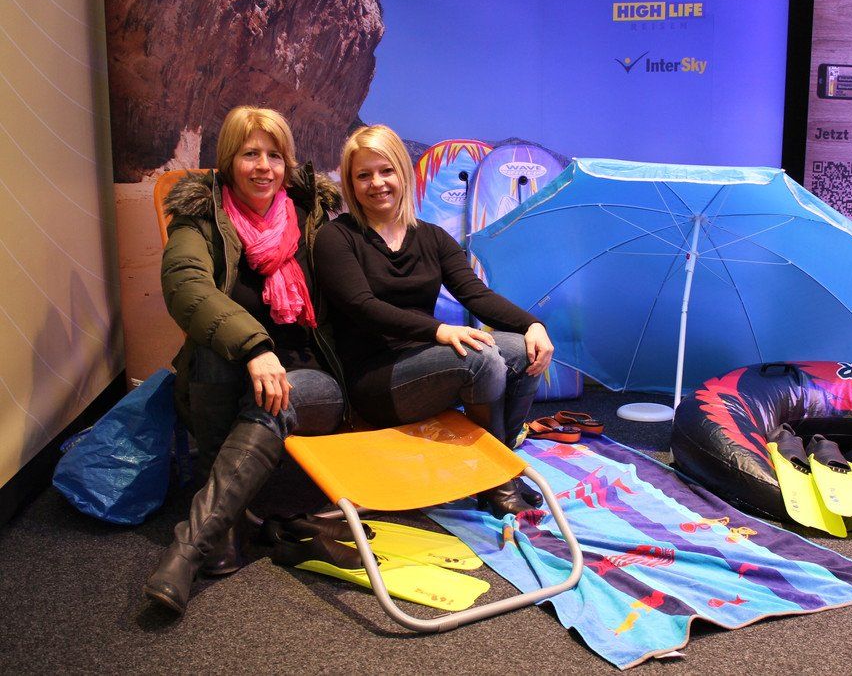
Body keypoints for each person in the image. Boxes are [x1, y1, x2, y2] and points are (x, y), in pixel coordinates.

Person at [144, 106, 346, 614]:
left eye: (274, 156)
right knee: (215, 356)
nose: (263, 167)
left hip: (310, 373)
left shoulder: (311, 215)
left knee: (278, 396)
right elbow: (186, 284)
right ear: (228, 160)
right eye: (250, 154)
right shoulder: (200, 217)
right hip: (237, 371)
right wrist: (256, 347)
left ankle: (191, 547)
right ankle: (226, 523)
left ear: (288, 163)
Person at [313, 124, 554, 517]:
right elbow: (362, 305)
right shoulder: (336, 237)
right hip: (375, 379)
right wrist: (438, 330)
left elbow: (476, 294)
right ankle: (495, 480)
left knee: (521, 350)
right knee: (480, 358)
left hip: (430, 362)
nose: (377, 183)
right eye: (363, 175)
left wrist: (532, 325)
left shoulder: (433, 237)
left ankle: (501, 465)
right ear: (351, 184)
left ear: (403, 173)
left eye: (386, 170)